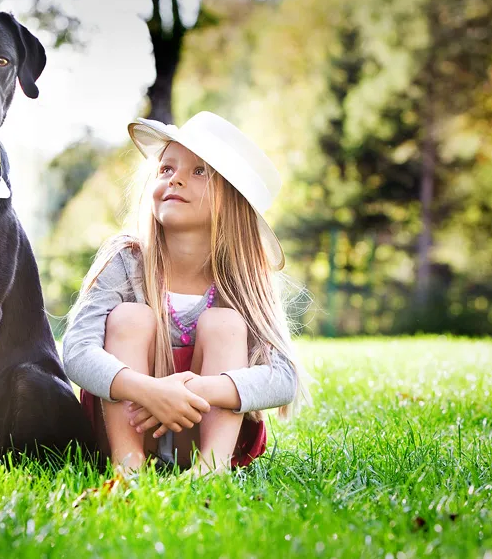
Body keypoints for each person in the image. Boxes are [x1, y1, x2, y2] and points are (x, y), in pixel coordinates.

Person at [62, 111, 311, 475]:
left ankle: (211, 468)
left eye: (199, 172)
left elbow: (283, 378)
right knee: (131, 317)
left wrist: (192, 390)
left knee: (224, 323)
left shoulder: (242, 276)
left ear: (232, 200)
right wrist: (147, 391)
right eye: (166, 169)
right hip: (132, 421)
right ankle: (128, 465)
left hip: (199, 428)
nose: (175, 179)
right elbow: (76, 351)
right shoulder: (126, 261)